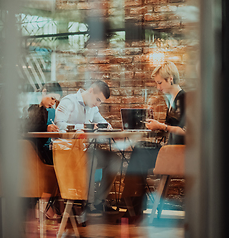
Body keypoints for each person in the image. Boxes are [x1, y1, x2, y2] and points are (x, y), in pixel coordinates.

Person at [121, 61, 186, 223]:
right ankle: (132, 207)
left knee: (139, 153)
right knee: (139, 151)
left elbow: (186, 131)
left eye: (160, 83)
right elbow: (173, 128)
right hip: (171, 150)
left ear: (170, 79)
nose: (158, 88)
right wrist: (158, 127)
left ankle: (131, 207)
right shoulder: (173, 100)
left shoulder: (183, 99)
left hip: (178, 153)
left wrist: (162, 126)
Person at [54, 80, 121, 214]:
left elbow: (102, 122)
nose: (97, 104)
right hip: (67, 151)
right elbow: (59, 125)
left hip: (84, 150)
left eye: (100, 102)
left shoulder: (93, 107)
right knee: (91, 160)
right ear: (90, 90)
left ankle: (98, 201)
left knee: (115, 160)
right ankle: (88, 203)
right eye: (97, 99)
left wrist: (108, 127)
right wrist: (83, 127)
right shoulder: (68, 101)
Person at [26, 82, 62, 165]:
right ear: (44, 92)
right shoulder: (31, 106)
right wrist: (46, 128)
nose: (53, 103)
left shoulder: (43, 110)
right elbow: (25, 126)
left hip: (35, 148)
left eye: (55, 101)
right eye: (52, 98)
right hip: (28, 149)